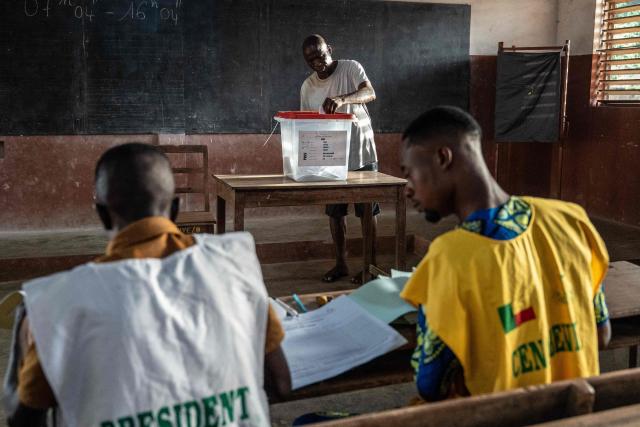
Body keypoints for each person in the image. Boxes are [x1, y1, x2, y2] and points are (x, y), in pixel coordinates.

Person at [4, 143, 291, 426]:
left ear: (102, 214)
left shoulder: (59, 303)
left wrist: (25, 331)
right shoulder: (232, 266)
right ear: (176, 208)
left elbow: (25, 419)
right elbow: (280, 383)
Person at [399, 106, 611, 401]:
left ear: (443, 158)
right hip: (575, 416)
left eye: (409, 173)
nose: (408, 189)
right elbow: (601, 334)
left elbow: (429, 384)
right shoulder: (571, 220)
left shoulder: (448, 258)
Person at [300, 34, 379, 284]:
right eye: (310, 59)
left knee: (367, 211)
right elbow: (307, 125)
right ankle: (341, 264)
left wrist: (343, 99)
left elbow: (369, 92)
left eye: (320, 55)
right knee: (335, 213)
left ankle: (371, 267)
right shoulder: (307, 87)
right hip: (330, 156)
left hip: (360, 150)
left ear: (330, 49)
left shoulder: (350, 68)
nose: (317, 62)